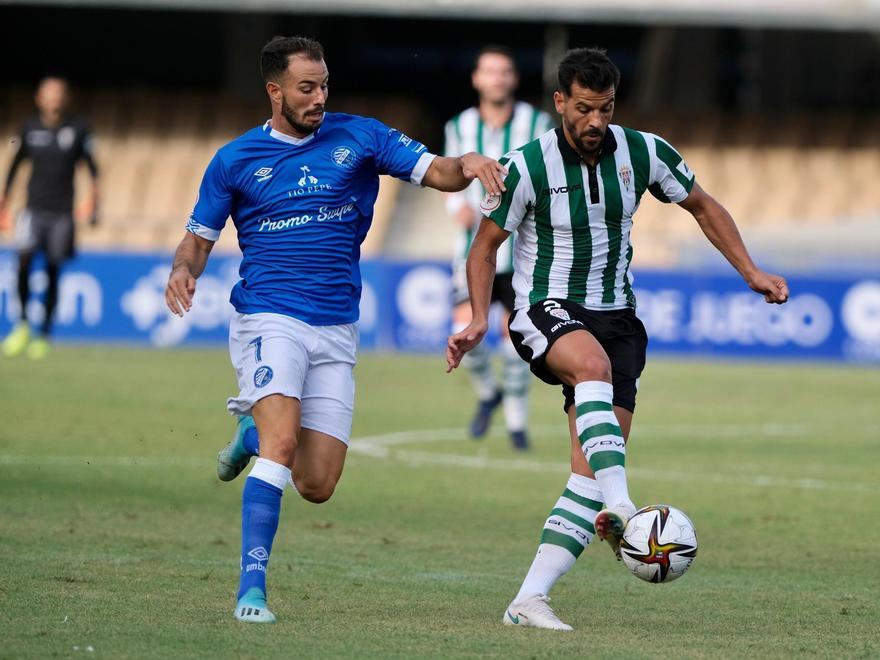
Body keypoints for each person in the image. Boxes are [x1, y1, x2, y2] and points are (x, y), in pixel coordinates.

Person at [164, 35, 506, 624]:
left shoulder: (363, 136)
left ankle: (250, 433)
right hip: (269, 315)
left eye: (324, 85)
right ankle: (252, 591)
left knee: (318, 483)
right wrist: (181, 270)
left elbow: (440, 173)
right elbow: (198, 239)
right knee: (283, 445)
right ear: (275, 92)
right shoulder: (235, 159)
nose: (319, 96)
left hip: (336, 326)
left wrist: (468, 165)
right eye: (306, 87)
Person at [446, 47, 789, 631]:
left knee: (588, 472)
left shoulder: (645, 151)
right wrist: (480, 317)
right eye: (583, 108)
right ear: (560, 102)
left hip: (619, 320)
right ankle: (625, 508)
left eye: (605, 108)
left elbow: (703, 206)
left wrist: (751, 271)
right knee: (592, 369)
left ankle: (528, 600)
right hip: (544, 308)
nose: (594, 122)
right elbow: (484, 247)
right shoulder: (525, 165)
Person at [444, 46, 554, 451]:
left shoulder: (537, 122)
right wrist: (457, 206)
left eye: (504, 71)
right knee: (462, 333)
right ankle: (489, 394)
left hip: (521, 251)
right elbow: (451, 175)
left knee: (515, 346)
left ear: (513, 79)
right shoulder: (460, 125)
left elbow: (546, 172)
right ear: (477, 78)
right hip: (472, 250)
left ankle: (516, 425)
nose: (497, 78)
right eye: (489, 71)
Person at [0, 76, 99, 359]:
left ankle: (43, 333)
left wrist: (95, 205)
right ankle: (21, 326)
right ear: (39, 99)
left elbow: (93, 170)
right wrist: (4, 202)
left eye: (58, 94)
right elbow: (14, 166)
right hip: (32, 210)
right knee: (22, 262)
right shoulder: (29, 129)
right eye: (48, 94)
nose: (54, 99)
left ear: (65, 98)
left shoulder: (78, 130)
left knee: (54, 270)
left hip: (62, 214)